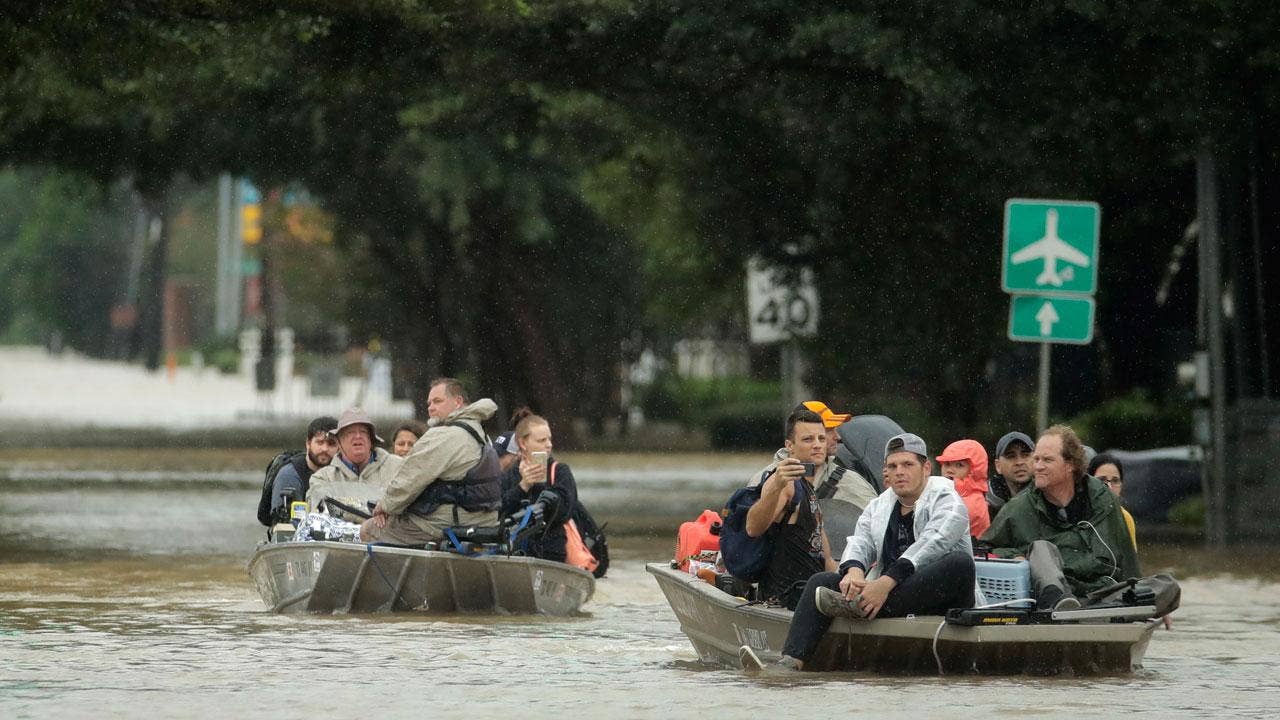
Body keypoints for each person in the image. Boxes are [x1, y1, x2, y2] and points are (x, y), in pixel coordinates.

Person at [767, 432, 974, 671]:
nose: (899, 472)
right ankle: (790, 663)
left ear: (926, 468)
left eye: (908, 464)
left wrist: (884, 585)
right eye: (893, 466)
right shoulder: (881, 503)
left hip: (935, 592)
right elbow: (860, 541)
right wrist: (853, 572)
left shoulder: (949, 500)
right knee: (821, 582)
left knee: (960, 564)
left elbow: (931, 544)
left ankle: (859, 607)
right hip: (892, 594)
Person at [980, 425, 1140, 610]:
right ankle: (1062, 605)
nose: (1037, 466)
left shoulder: (1105, 500)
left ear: (1069, 465)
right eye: (1036, 459)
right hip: (1059, 596)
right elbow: (986, 550)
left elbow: (1128, 559)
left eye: (1047, 460)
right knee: (1040, 548)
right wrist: (1017, 556)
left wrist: (1143, 593)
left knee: (1166, 587)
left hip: (1106, 594)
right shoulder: (1018, 507)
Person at [361, 378, 502, 544]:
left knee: (369, 529)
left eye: (437, 401)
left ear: (457, 402)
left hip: (445, 525)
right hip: (484, 522)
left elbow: (409, 480)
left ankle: (405, 571)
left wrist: (384, 506)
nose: (431, 408)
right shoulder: (479, 433)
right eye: (429, 403)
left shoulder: (445, 435)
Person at [744, 406, 839, 609]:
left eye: (821, 439)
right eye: (808, 440)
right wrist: (775, 486)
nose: (817, 445)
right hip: (784, 599)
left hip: (811, 597)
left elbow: (824, 552)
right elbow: (752, 527)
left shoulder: (808, 483)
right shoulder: (783, 482)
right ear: (790, 446)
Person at [750, 401, 878, 512]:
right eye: (829, 430)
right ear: (790, 444)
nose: (838, 437)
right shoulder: (762, 481)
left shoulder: (851, 482)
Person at [499, 408, 578, 563]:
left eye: (549, 439)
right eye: (541, 441)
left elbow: (563, 513)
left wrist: (538, 485)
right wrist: (522, 487)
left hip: (551, 553)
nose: (548, 445)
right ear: (522, 443)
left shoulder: (560, 471)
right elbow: (498, 513)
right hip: (514, 552)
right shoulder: (510, 474)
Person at [306, 408, 404, 522]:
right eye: (350, 432)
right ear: (338, 441)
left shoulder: (398, 467)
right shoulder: (323, 478)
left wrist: (341, 505)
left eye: (363, 432)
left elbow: (409, 508)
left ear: (371, 439)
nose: (358, 436)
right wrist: (378, 510)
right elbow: (319, 514)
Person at [267, 415, 338, 522]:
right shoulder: (289, 476)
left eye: (331, 444)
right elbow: (285, 527)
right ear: (308, 444)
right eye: (320, 442)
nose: (325, 449)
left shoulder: (342, 474)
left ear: (340, 447)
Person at [936, 439, 992, 539]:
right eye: (947, 464)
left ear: (974, 471)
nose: (950, 470)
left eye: (959, 465)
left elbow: (939, 531)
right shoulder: (943, 491)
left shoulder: (974, 501)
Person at [1088, 452, 1137, 550]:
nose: (1109, 487)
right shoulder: (1074, 515)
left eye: (1115, 481)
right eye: (1102, 480)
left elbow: (1130, 563)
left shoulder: (1125, 518)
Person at [985, 431, 1035, 523]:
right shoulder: (985, 506)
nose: (1019, 462)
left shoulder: (1050, 497)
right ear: (998, 466)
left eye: (1025, 455)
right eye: (1011, 456)